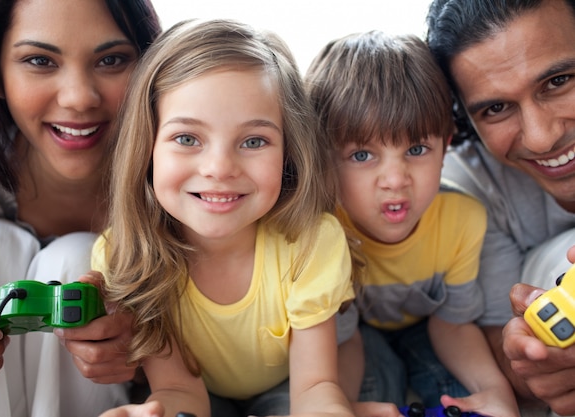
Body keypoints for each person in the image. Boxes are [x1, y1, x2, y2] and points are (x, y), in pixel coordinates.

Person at [90, 18, 400, 417]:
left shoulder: (311, 241)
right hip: (207, 391)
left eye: (254, 141)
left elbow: (314, 387)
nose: (219, 167)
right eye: (187, 139)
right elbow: (178, 389)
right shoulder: (125, 254)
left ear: (288, 153)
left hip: (294, 382)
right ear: (147, 146)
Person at [0, 0, 161, 416]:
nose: (79, 98)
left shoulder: (188, 182)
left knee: (79, 257)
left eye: (112, 59)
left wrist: (145, 359)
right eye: (40, 60)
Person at [304, 30, 520, 417]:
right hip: (354, 336)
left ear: (446, 146)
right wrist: (339, 404)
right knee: (372, 388)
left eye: (417, 150)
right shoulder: (323, 233)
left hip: (427, 326)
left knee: (456, 394)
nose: (395, 179)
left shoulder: (462, 220)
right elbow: (343, 338)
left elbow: (452, 324)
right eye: (362, 155)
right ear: (324, 158)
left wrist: (496, 390)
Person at [426, 0, 575, 415]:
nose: (542, 138)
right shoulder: (465, 188)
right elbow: (497, 342)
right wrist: (537, 366)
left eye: (559, 80)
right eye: (496, 109)